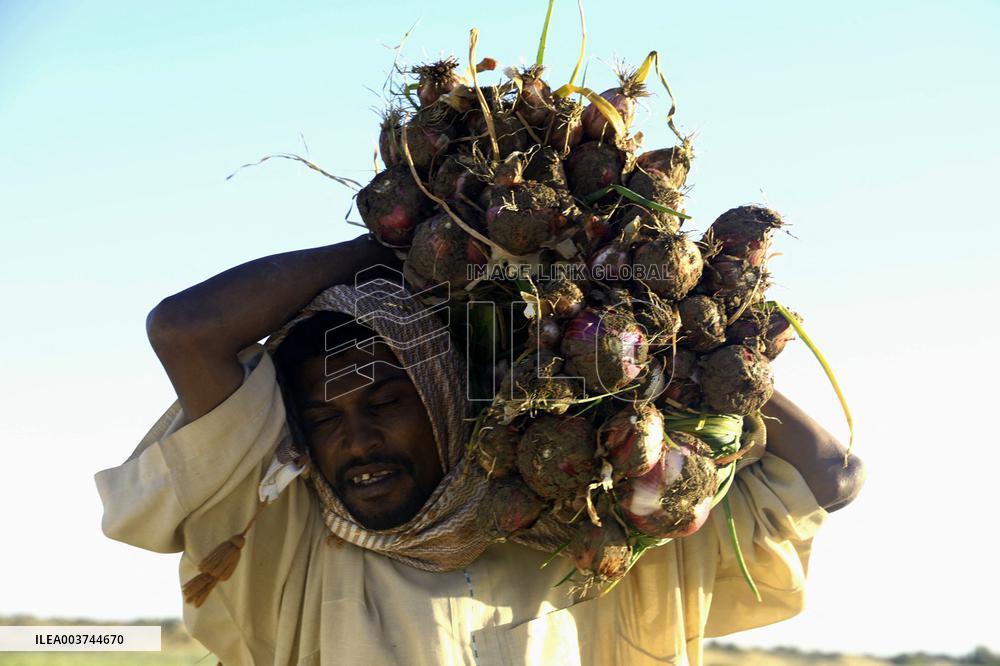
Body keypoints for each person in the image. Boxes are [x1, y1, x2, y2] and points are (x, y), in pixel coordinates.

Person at [95, 234, 865, 666]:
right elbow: (185, 332)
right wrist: (397, 246)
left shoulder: (590, 541)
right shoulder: (285, 543)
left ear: (446, 400)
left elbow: (833, 473)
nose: (355, 440)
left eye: (386, 403)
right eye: (323, 421)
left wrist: (683, 350)